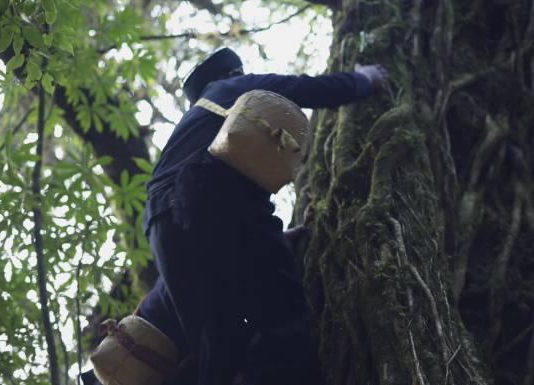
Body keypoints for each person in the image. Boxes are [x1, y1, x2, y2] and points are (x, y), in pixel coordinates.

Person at [83, 47, 387, 385]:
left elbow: (199, 230)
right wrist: (363, 80)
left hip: (161, 226)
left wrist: (269, 242)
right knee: (283, 318)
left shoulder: (189, 129)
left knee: (215, 345)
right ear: (232, 75)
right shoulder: (227, 90)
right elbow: (300, 88)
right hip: (213, 196)